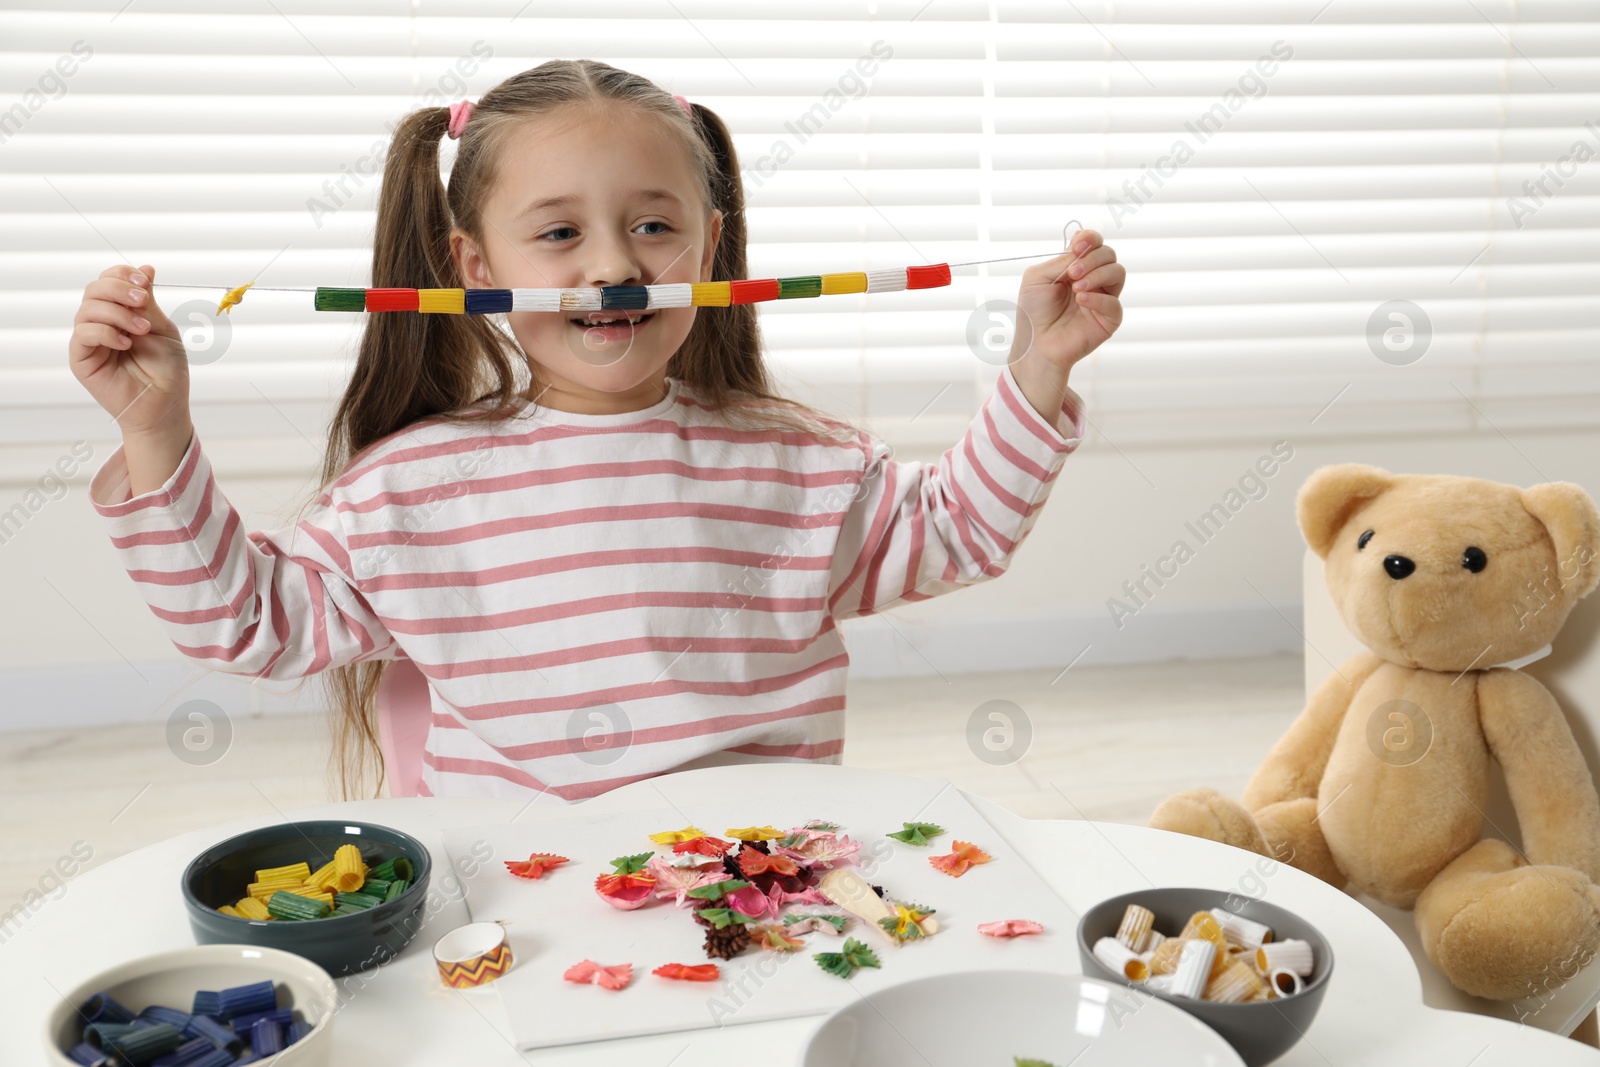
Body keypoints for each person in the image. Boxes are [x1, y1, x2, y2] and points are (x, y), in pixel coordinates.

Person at [68, 60, 1124, 802]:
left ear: (711, 249)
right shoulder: (411, 490)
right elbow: (251, 625)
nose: (612, 268)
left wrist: (1038, 365)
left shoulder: (800, 464)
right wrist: (157, 428)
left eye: (654, 227)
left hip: (763, 879)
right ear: (476, 269)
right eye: (560, 232)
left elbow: (955, 533)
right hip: (519, 904)